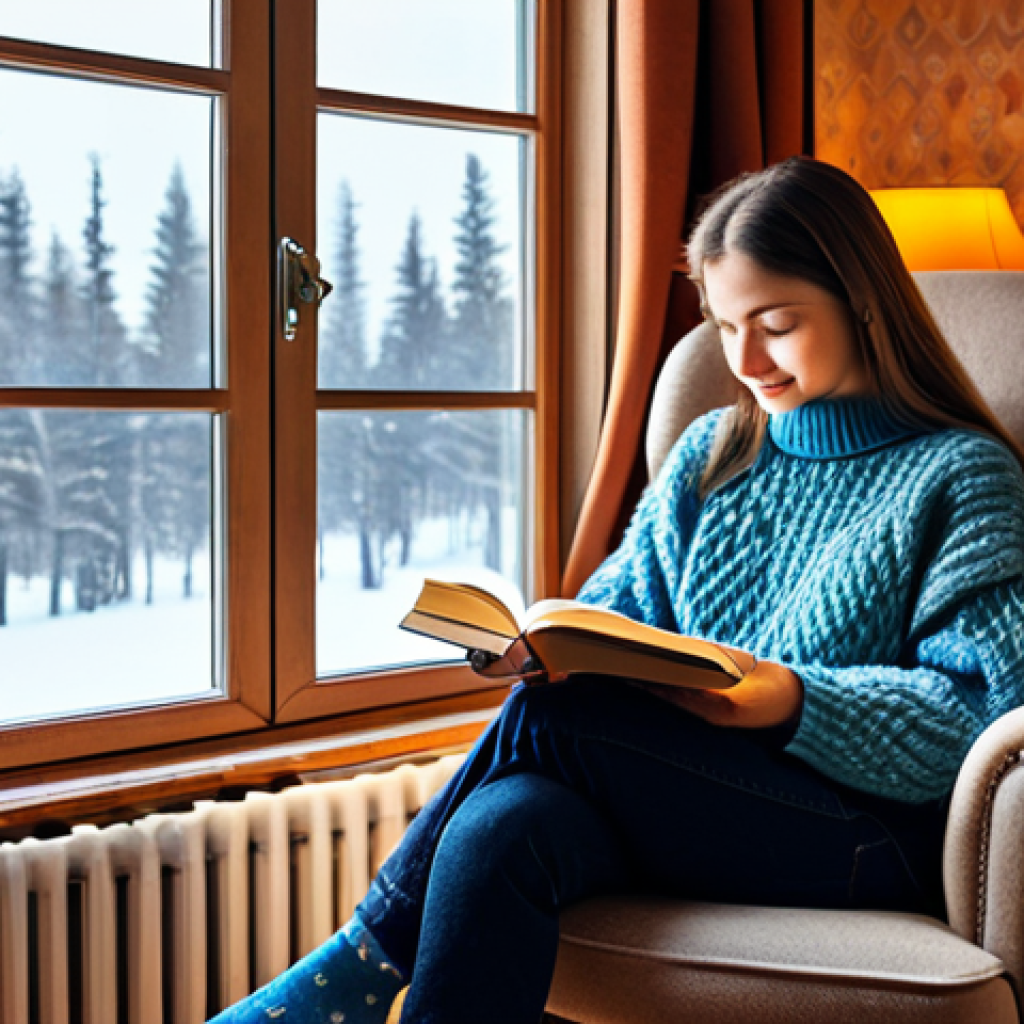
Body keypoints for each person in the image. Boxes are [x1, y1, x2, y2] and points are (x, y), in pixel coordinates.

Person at [209, 156, 1024, 1024]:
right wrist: (544, 652)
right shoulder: (714, 453)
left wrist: (788, 699)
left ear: (863, 303)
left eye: (777, 324)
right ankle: (358, 975)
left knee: (561, 727)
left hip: (866, 835)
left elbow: (977, 709)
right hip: (689, 807)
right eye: (725, 327)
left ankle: (358, 965)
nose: (746, 359)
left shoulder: (961, 474)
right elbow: (612, 616)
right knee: (500, 827)